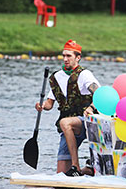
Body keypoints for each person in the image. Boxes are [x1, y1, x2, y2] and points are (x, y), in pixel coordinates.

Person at [35, 39, 100, 176]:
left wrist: (91, 108)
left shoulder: (84, 75)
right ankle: (85, 171)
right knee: (61, 173)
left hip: (87, 121)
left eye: (69, 56)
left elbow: (100, 95)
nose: (65, 59)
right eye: (63, 55)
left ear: (78, 58)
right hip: (68, 126)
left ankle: (76, 166)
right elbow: (49, 103)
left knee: (64, 122)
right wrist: (42, 106)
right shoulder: (56, 77)